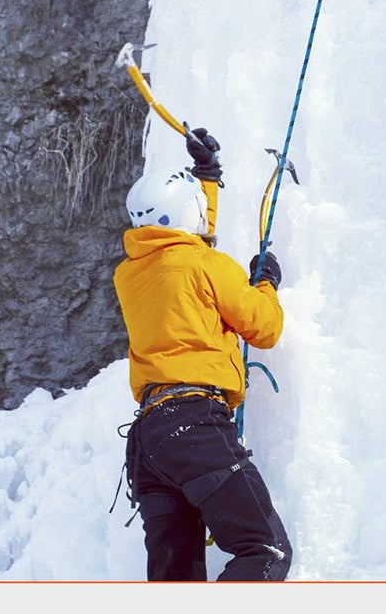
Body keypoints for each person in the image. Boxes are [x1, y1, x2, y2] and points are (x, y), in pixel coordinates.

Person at [113, 127, 291, 581]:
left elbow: (183, 238)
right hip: (195, 429)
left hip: (150, 444)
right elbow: (264, 327)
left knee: (176, 583)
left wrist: (204, 177)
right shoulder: (205, 265)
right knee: (264, 551)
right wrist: (266, 281)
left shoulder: (131, 275)